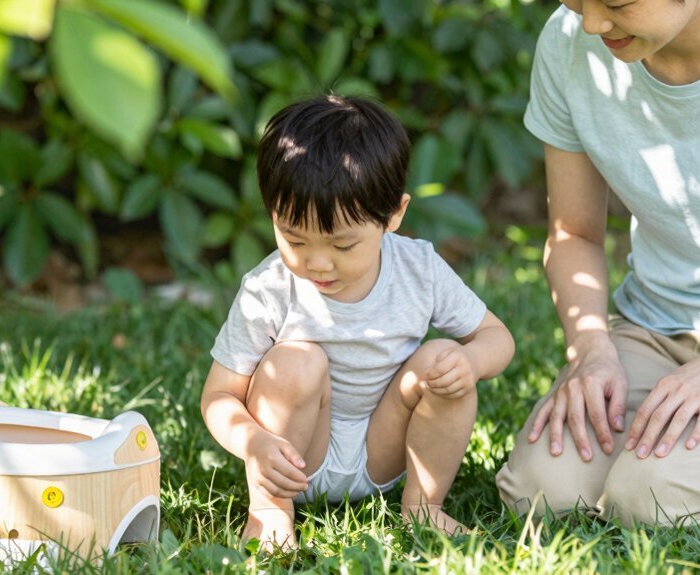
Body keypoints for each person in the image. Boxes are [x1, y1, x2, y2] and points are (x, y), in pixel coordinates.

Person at [496, 0, 700, 533]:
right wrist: (591, 349)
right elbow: (573, 233)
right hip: (658, 327)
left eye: (617, 4)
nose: (593, 24)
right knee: (541, 492)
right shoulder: (569, 41)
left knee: (655, 498)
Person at [201, 95, 515, 549]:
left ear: (394, 215)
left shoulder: (418, 270)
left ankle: (424, 508)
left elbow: (496, 337)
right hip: (294, 459)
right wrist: (253, 442)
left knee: (442, 359)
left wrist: (471, 360)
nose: (318, 263)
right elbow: (219, 396)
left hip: (383, 452)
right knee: (295, 362)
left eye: (343, 246)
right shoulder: (268, 288)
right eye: (294, 239)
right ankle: (270, 512)